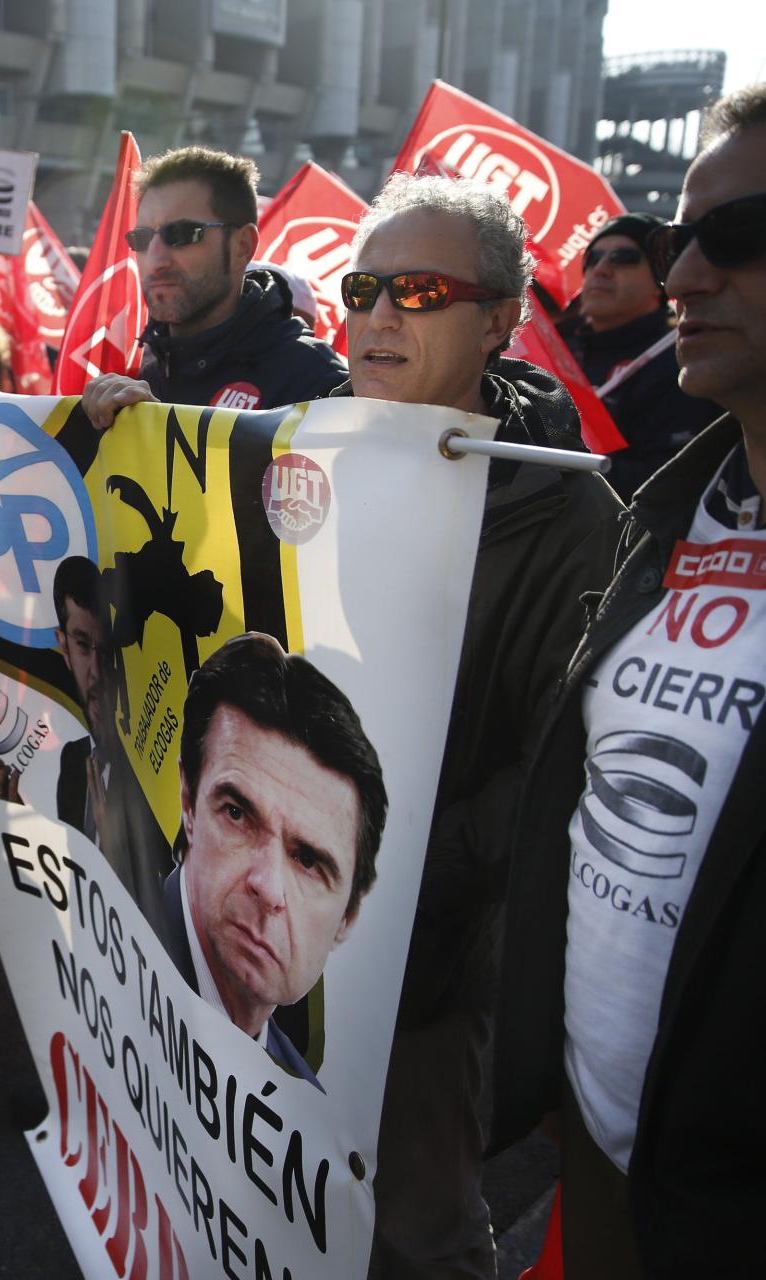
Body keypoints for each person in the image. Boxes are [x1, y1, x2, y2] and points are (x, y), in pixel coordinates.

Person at [492, 83, 766, 1278]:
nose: (684, 278)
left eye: (740, 236)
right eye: (672, 240)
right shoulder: (661, 516)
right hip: (598, 1158)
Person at [334, 172, 623, 1278]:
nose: (377, 316)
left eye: (416, 289)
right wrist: (117, 433)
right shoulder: (286, 451)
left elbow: (554, 759)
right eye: (362, 288)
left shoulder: (567, 509)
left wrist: (395, 878)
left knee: (415, 1223)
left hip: (427, 957)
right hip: (273, 921)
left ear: (501, 320)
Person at [165, 632, 387, 1089]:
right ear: (188, 802)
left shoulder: (306, 1102)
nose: (267, 887)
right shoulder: (110, 946)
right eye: (237, 814)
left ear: (347, 918)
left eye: (308, 860)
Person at [80, 145, 346, 429]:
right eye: (142, 239)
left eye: (182, 234)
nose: (156, 259)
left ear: (243, 245)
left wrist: (163, 435)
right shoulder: (133, 368)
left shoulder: (318, 385)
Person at [569, 212, 722, 500]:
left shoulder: (681, 359)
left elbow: (669, 482)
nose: (601, 269)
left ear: (660, 279)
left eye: (623, 258)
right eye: (592, 258)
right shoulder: (561, 349)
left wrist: (560, 460)